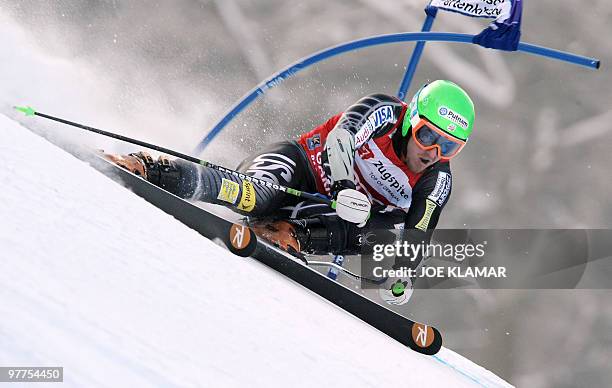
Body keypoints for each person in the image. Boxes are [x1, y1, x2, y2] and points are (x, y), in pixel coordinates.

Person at [106, 80, 475, 305]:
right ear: (412, 120)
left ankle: (288, 234)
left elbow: (419, 231)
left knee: (386, 237)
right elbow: (341, 137)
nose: (433, 153)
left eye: (449, 147)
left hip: (327, 216)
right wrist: (345, 184)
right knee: (253, 196)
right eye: (428, 135)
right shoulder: (386, 112)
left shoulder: (437, 178)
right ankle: (152, 168)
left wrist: (402, 272)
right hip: (298, 171)